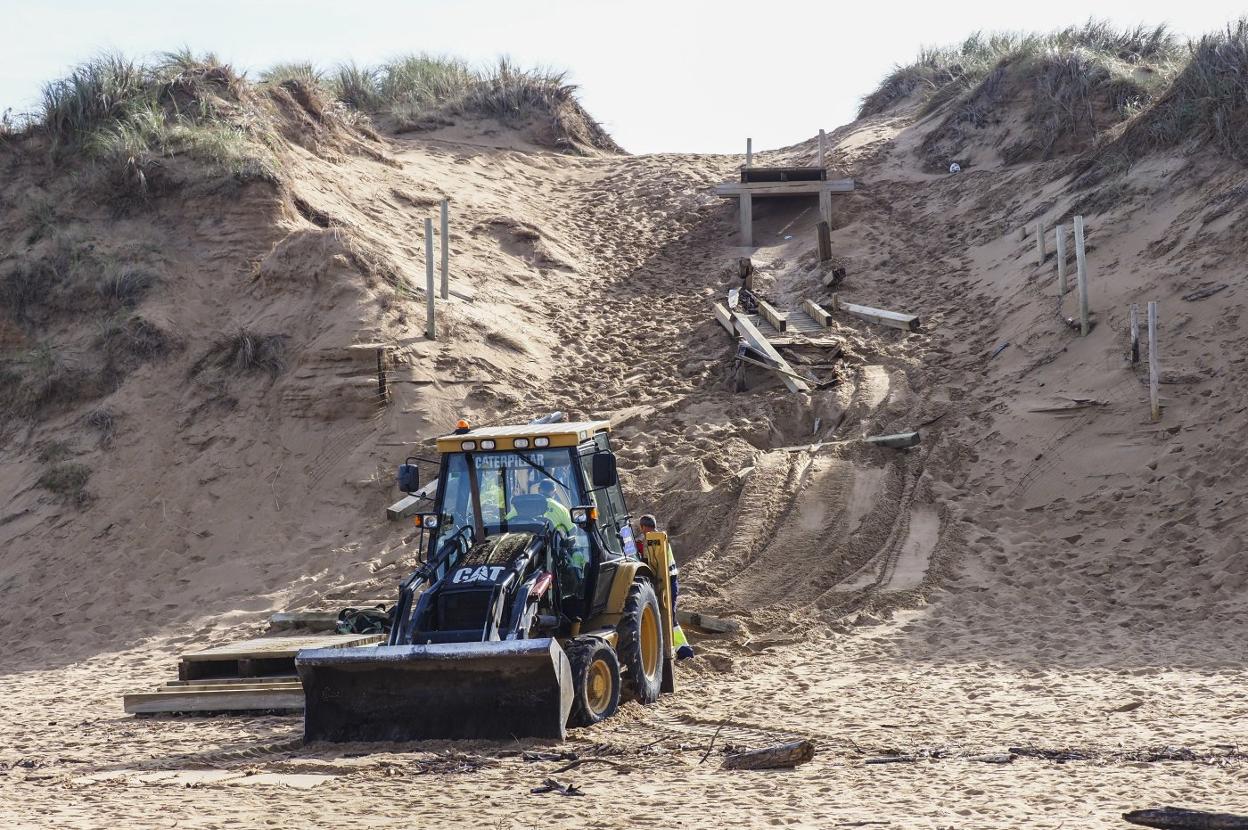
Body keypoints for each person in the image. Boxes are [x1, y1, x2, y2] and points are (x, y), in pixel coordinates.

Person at [638, 514, 695, 660]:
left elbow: (656, 564)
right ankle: (682, 649)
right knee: (669, 618)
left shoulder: (655, 540)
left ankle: (684, 650)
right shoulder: (659, 538)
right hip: (670, 581)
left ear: (643, 527)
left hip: (668, 582)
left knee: (670, 618)